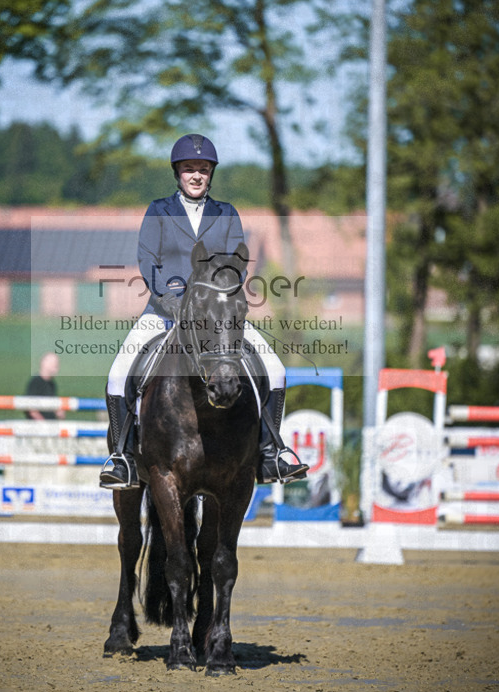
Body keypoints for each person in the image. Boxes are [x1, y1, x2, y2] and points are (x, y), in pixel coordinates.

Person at [99, 133, 308, 490]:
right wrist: (173, 300)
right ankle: (123, 458)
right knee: (118, 373)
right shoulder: (158, 210)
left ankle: (271, 452)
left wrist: (215, 296)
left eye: (203, 169)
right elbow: (148, 260)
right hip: (163, 312)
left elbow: (236, 264)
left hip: (217, 314)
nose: (196, 175)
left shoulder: (226, 213)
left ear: (211, 173)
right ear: (177, 173)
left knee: (275, 370)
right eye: (189, 169)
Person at [25, 352, 65, 421]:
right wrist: (43, 424)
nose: (57, 368)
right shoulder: (36, 382)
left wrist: (58, 411)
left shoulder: (52, 384)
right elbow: (31, 409)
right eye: (54, 365)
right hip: (37, 428)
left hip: (50, 427)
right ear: (45, 364)